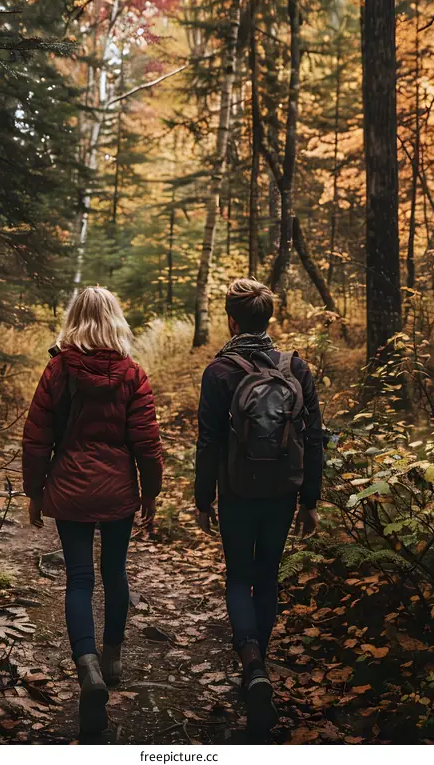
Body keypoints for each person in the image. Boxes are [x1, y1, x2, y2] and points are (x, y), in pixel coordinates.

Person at [22, 286, 163, 734]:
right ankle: (113, 657)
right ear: (116, 319)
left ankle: (87, 665)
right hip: (118, 488)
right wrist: (151, 493)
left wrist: (34, 491)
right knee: (115, 572)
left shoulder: (58, 369)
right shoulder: (132, 373)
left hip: (70, 486)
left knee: (80, 578)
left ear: (75, 318)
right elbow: (147, 443)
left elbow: (37, 436)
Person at [194, 278, 323, 736]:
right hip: (282, 492)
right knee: (266, 577)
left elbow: (208, 441)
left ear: (231, 319)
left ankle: (250, 663)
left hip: (235, 491)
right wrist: (310, 499)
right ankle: (259, 668)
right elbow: (313, 437)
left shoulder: (220, 372)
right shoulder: (296, 367)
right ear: (268, 319)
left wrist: (202, 499)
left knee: (238, 576)